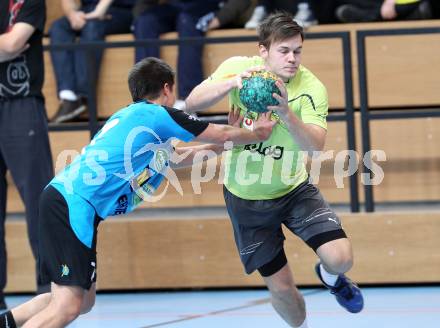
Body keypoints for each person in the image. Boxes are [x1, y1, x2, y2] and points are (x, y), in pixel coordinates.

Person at [0, 56, 275, 328]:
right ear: (167, 88)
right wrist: (255, 135)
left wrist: (227, 144)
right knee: (68, 305)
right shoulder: (155, 115)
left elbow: (179, 157)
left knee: (81, 301)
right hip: (73, 205)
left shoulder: (137, 122)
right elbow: (219, 133)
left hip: (66, 202)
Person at [186, 12, 364, 327]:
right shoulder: (237, 68)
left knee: (341, 258)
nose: (292, 58)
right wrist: (232, 83)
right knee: (284, 292)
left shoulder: (311, 87)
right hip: (246, 199)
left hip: (294, 190)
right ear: (263, 51)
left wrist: (285, 112)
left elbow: (314, 148)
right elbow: (192, 103)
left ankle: (331, 278)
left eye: (297, 51)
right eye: (284, 51)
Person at [0, 0, 54, 309]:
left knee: (39, 203)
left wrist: (8, 45)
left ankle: (50, 291)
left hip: (21, 104)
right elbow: (6, 45)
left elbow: (14, 42)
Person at [49, 0, 134, 123]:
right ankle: (68, 97)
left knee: (92, 26)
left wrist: (100, 9)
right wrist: (72, 14)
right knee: (58, 27)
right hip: (86, 11)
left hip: (118, 10)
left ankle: (84, 96)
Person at [133, 0, 222, 110]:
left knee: (186, 20)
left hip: (204, 5)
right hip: (173, 4)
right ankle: (147, 98)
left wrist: (223, 17)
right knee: (145, 22)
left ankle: (188, 102)